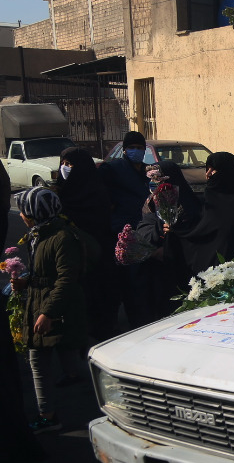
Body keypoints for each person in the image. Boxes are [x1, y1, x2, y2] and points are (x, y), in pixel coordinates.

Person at [11, 188, 88, 434]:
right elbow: (44, 273)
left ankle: (48, 416)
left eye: (24, 210)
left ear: (34, 213)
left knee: (38, 361)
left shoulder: (62, 238)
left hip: (52, 307)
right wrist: (26, 282)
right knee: (64, 353)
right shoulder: (39, 234)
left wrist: (47, 312)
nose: (22, 215)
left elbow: (66, 279)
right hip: (43, 303)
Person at [55, 147, 114, 341]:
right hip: (70, 262)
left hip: (97, 258)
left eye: (70, 165)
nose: (65, 168)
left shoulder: (97, 192)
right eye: (63, 164)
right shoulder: (59, 195)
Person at [99, 130, 152, 330]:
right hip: (123, 232)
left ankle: (142, 319)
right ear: (125, 149)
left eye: (140, 148)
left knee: (141, 281)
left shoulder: (147, 172)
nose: (136, 151)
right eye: (132, 148)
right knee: (129, 280)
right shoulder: (113, 169)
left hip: (145, 229)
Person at [136, 160, 203, 319]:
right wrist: (157, 238)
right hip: (159, 265)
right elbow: (143, 228)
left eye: (161, 179)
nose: (157, 184)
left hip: (184, 265)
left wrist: (177, 231)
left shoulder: (189, 201)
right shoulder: (151, 202)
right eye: (154, 179)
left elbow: (197, 230)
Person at [175, 152, 234, 275]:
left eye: (213, 170)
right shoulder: (210, 197)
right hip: (213, 271)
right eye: (207, 169)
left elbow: (210, 230)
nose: (208, 175)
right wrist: (177, 230)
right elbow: (202, 229)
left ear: (227, 172)